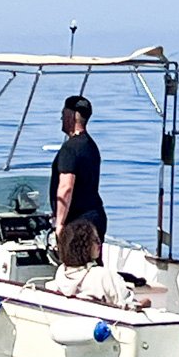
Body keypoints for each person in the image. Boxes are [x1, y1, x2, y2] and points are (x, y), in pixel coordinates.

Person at [51, 217, 143, 309]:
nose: (100, 244)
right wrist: (146, 303)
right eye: (96, 241)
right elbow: (130, 305)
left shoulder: (61, 273)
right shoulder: (104, 276)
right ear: (85, 246)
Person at [51, 94, 106, 246]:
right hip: (95, 216)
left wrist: (60, 223)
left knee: (76, 265)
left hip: (77, 222)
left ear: (71, 116)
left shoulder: (70, 149)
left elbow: (66, 187)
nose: (61, 118)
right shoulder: (90, 146)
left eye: (63, 114)